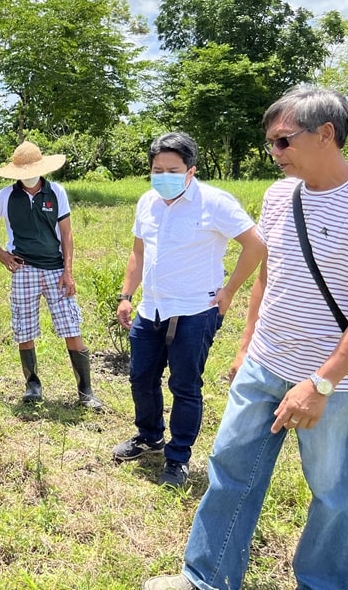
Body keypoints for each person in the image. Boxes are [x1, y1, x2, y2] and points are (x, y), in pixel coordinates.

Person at [143, 87, 348, 589]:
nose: (272, 153)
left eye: (282, 141)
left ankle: (321, 584)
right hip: (265, 363)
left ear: (326, 135)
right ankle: (205, 578)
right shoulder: (279, 196)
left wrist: (320, 384)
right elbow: (267, 275)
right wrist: (247, 343)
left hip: (332, 384)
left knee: (333, 494)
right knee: (229, 468)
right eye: (270, 142)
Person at [112, 132, 263, 488]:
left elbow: (255, 245)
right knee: (141, 378)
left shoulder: (215, 203)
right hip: (151, 308)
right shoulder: (147, 202)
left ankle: (178, 457)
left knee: (185, 385)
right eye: (157, 169)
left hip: (196, 311)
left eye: (172, 169)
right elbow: (138, 251)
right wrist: (125, 294)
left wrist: (229, 291)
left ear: (191, 171)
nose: (163, 176)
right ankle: (149, 436)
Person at [0, 141, 103, 409]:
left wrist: (69, 272)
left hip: (56, 269)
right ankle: (33, 386)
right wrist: (2, 254)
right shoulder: (6, 196)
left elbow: (66, 234)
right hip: (23, 269)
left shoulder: (56, 192)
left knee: (71, 325)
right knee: (25, 328)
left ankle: (86, 392)